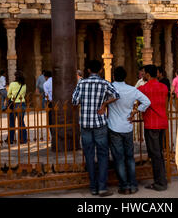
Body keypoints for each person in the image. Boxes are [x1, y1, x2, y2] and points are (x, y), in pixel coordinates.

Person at [72, 59, 120, 197]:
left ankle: (93, 187)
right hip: (100, 124)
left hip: (86, 125)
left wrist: (85, 102)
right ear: (100, 70)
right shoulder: (104, 83)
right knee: (103, 155)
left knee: (89, 155)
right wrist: (105, 103)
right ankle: (102, 187)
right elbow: (116, 95)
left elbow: (74, 101)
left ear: (88, 70)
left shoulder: (81, 83)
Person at [107, 66, 151, 195]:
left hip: (114, 127)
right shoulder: (132, 90)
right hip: (127, 127)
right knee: (129, 157)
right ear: (125, 77)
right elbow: (146, 102)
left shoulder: (110, 89)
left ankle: (124, 185)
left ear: (114, 76)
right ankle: (133, 185)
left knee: (119, 158)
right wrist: (134, 113)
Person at [138, 64, 168, 191]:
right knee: (159, 153)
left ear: (148, 75)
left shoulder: (143, 88)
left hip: (151, 124)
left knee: (155, 154)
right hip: (162, 123)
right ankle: (162, 179)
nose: (142, 75)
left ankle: (160, 183)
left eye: (144, 73)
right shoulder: (164, 87)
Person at [6, 71, 27, 144]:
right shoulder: (24, 85)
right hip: (22, 104)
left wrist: (12, 96)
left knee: (12, 122)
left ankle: (10, 140)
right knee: (21, 122)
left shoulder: (12, 84)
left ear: (15, 77)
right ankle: (23, 139)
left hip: (14, 104)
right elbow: (24, 94)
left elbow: (8, 95)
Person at [43, 71, 53, 136]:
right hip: (58, 102)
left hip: (50, 102)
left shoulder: (46, 83)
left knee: (50, 119)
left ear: (46, 76)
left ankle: (52, 134)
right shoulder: (56, 81)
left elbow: (46, 95)